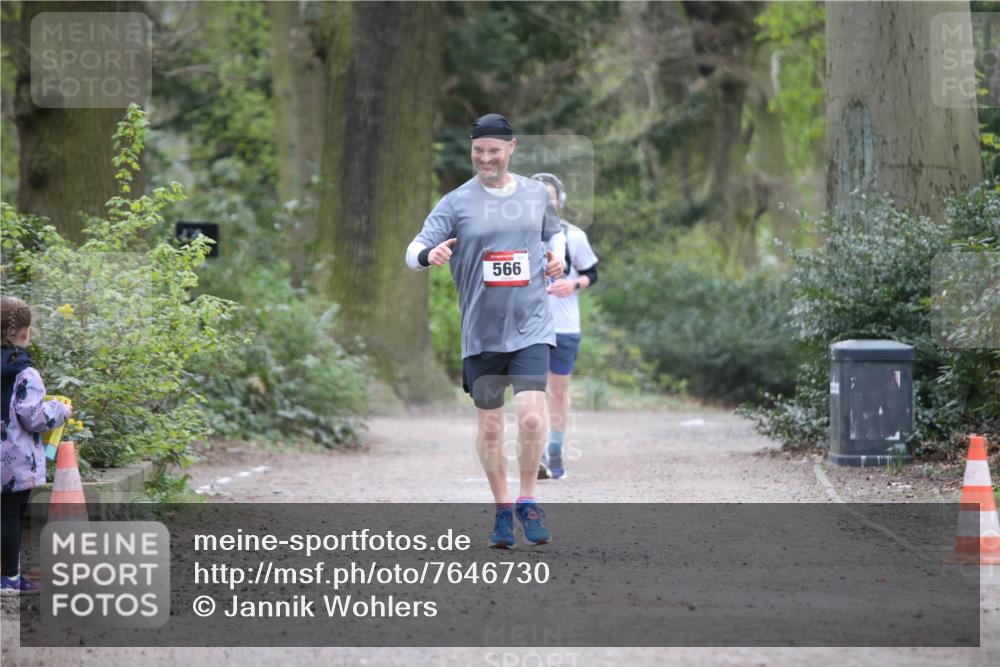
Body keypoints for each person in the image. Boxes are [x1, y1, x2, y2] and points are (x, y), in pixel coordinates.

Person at [405, 113, 566, 548]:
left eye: (494, 150)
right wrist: (428, 255)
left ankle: (529, 499)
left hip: (531, 324)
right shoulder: (455, 202)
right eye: (479, 151)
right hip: (481, 332)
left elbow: (556, 238)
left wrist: (556, 259)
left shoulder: (535, 195)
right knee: (492, 429)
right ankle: (501, 511)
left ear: (512, 148)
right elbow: (413, 247)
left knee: (532, 417)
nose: (486, 158)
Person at [1, 296, 72, 595]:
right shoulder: (25, 373)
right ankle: (9, 579)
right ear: (26, 331)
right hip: (14, 463)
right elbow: (33, 417)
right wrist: (59, 410)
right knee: (10, 516)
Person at [531, 173, 599, 480]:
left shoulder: (574, 236)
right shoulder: (516, 236)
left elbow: (591, 273)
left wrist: (573, 284)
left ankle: (554, 451)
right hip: (528, 326)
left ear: (560, 201)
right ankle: (535, 453)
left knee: (557, 392)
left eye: (550, 197)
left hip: (564, 325)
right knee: (530, 391)